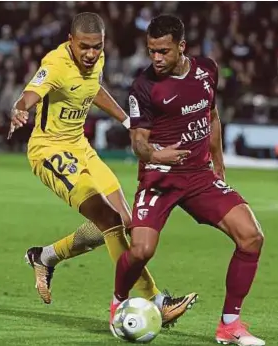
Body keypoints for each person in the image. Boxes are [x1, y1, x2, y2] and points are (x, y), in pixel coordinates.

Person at [9, 12, 196, 327]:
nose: (91, 54)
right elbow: (31, 93)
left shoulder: (96, 60)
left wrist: (127, 120)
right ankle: (154, 300)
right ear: (71, 41)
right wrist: (19, 109)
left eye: (97, 47)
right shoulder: (55, 64)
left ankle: (44, 257)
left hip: (81, 148)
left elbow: (93, 88)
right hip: (50, 151)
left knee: (125, 221)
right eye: (84, 47)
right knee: (107, 218)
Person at [110, 14, 265, 346]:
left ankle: (230, 325)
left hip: (198, 176)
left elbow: (211, 116)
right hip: (159, 177)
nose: (156, 58)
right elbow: (138, 141)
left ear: (181, 47)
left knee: (251, 237)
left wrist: (218, 164)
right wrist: (155, 155)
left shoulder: (207, 70)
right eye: (151, 50)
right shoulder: (145, 86)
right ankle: (117, 303)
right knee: (141, 251)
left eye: (163, 51)